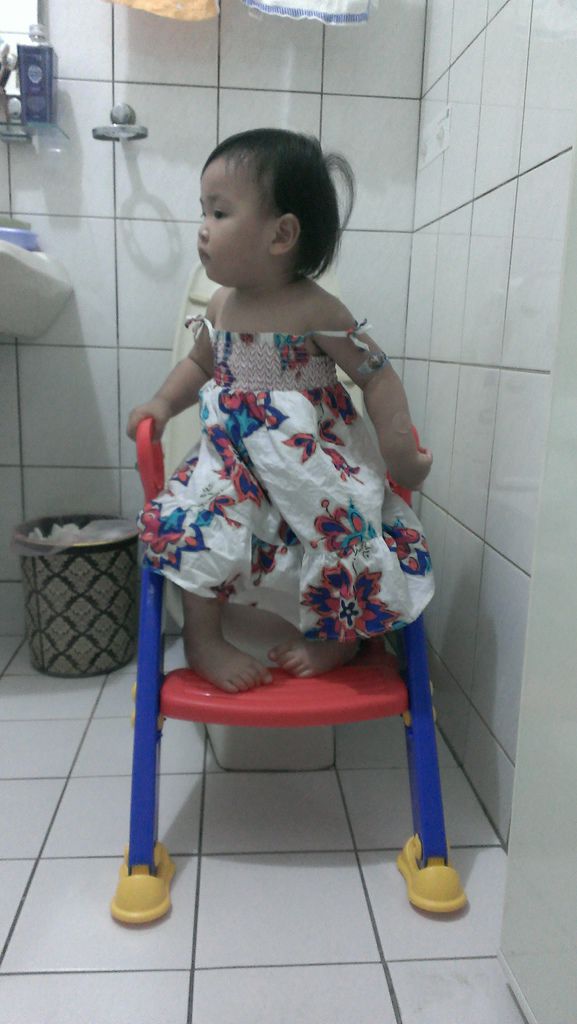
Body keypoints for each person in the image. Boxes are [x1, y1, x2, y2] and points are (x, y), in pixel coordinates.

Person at [127, 128, 433, 694]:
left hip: (309, 460)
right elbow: (198, 362)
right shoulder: (221, 304)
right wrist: (164, 402)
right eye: (203, 210)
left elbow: (376, 372)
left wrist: (400, 454)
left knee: (343, 526)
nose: (203, 227)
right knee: (199, 521)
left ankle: (338, 635)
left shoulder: (318, 309)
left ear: (282, 234)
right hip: (232, 461)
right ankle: (203, 639)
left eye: (219, 212)